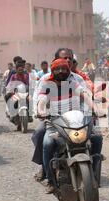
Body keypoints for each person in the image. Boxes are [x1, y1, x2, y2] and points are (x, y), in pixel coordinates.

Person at [37, 58, 102, 193]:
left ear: (68, 70)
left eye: (64, 69)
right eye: (57, 69)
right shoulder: (47, 84)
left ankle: (94, 172)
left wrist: (95, 108)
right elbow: (42, 101)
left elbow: (85, 96)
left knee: (97, 138)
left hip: (76, 121)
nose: (61, 72)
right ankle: (50, 180)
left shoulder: (73, 83)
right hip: (55, 123)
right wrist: (41, 111)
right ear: (53, 70)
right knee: (47, 144)